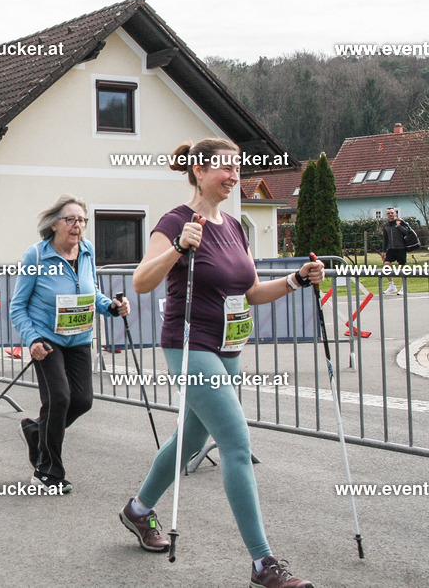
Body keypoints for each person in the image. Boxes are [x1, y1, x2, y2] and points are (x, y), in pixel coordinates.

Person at [119, 139, 324, 588]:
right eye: (225, 169)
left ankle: (138, 509)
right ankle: (263, 564)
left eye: (238, 170)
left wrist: (295, 279)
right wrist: (177, 247)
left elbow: (251, 290)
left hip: (229, 347)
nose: (234, 177)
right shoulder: (176, 221)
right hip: (189, 346)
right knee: (235, 442)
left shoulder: (234, 225)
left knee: (190, 440)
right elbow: (140, 281)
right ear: (198, 171)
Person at [9, 195, 130, 494]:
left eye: (82, 221)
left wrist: (111, 307)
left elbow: (91, 294)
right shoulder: (36, 256)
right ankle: (47, 472)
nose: (78, 226)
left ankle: (36, 431)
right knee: (58, 399)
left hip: (79, 338)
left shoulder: (87, 251)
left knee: (82, 401)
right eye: (71, 220)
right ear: (54, 224)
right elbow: (17, 306)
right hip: (46, 340)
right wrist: (32, 339)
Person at [381, 207, 418, 295]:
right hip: (391, 249)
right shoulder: (386, 225)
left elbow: (407, 232)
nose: (390, 214)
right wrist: (384, 251)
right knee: (386, 265)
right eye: (388, 213)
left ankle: (404, 287)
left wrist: (399, 226)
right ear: (386, 215)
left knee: (401, 268)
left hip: (401, 248)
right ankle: (392, 286)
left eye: (392, 213)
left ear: (395, 213)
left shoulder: (400, 222)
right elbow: (385, 239)